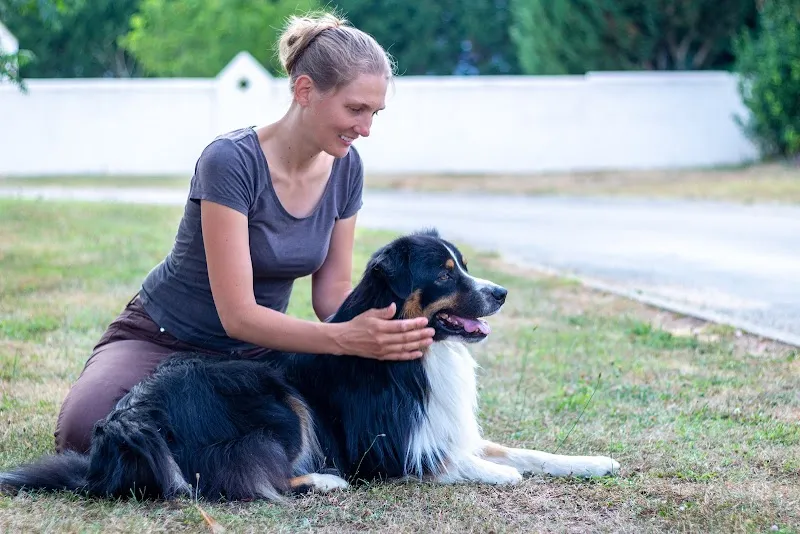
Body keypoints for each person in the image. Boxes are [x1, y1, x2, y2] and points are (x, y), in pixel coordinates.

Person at [54, 12, 436, 454]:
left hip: (256, 354)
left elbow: (332, 296)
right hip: (164, 336)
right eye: (355, 109)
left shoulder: (347, 168)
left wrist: (391, 328)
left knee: (319, 435)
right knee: (85, 436)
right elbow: (238, 314)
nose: (366, 128)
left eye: (374, 112)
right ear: (305, 90)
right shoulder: (230, 161)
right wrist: (341, 338)